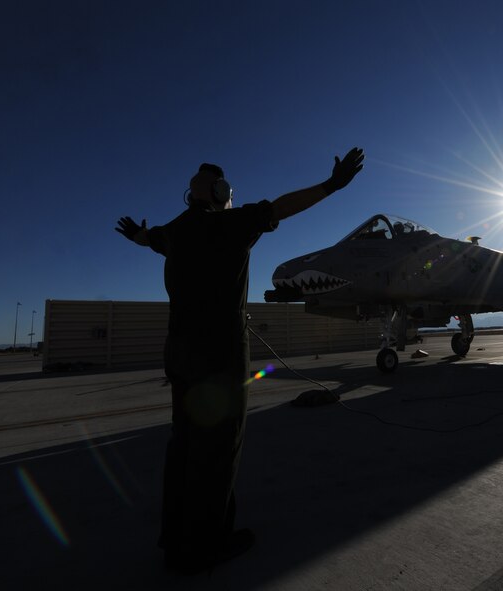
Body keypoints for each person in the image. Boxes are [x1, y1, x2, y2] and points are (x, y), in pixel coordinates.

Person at [115, 147, 364, 574]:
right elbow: (282, 206)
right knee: (218, 449)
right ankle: (206, 547)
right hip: (219, 351)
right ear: (220, 191)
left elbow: (149, 239)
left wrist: (138, 235)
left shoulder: (173, 231)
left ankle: (175, 540)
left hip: (178, 351)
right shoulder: (230, 224)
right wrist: (331, 186)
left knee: (184, 446)